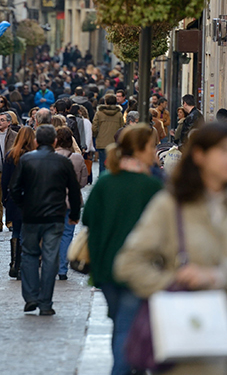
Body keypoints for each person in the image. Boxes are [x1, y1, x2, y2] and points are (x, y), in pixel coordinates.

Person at [113, 123, 227, 375]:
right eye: (223, 151)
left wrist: (217, 276)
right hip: (181, 345)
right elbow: (128, 263)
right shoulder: (170, 205)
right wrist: (172, 281)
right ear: (199, 156)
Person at [82, 124, 163, 374]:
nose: (155, 152)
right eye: (152, 146)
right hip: (138, 270)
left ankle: (130, 366)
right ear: (139, 149)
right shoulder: (151, 187)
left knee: (121, 324)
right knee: (128, 327)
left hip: (105, 268)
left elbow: (89, 221)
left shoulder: (106, 182)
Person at [10, 125, 82, 316]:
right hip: (55, 216)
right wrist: (74, 214)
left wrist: (24, 206)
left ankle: (31, 296)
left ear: (36, 141)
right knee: (50, 257)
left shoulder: (26, 160)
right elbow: (74, 190)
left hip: (32, 215)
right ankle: (45, 302)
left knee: (30, 254)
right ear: (54, 141)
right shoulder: (62, 162)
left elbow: (14, 189)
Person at [1, 126, 36, 279]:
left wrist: (5, 197)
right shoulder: (34, 156)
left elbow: (5, 180)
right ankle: (21, 266)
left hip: (14, 198)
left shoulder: (11, 156)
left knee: (16, 230)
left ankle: (15, 263)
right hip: (30, 198)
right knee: (25, 232)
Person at [54, 127, 88, 281]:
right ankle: (62, 269)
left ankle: (51, 266)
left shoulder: (50, 156)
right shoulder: (77, 158)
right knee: (67, 234)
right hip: (70, 201)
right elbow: (83, 181)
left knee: (52, 234)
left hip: (52, 201)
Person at [93, 94, 125, 175]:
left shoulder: (99, 113)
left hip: (102, 142)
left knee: (102, 164)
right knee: (114, 163)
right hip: (114, 143)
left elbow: (94, 127)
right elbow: (122, 128)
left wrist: (96, 135)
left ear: (105, 102)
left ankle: (102, 182)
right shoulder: (119, 114)